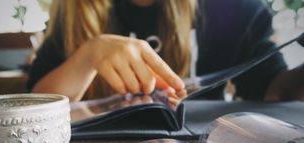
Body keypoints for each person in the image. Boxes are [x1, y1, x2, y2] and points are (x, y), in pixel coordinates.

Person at [27, 0, 303, 102]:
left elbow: (274, 89)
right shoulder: (75, 11)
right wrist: (88, 55)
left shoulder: (236, 9)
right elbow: (35, 103)